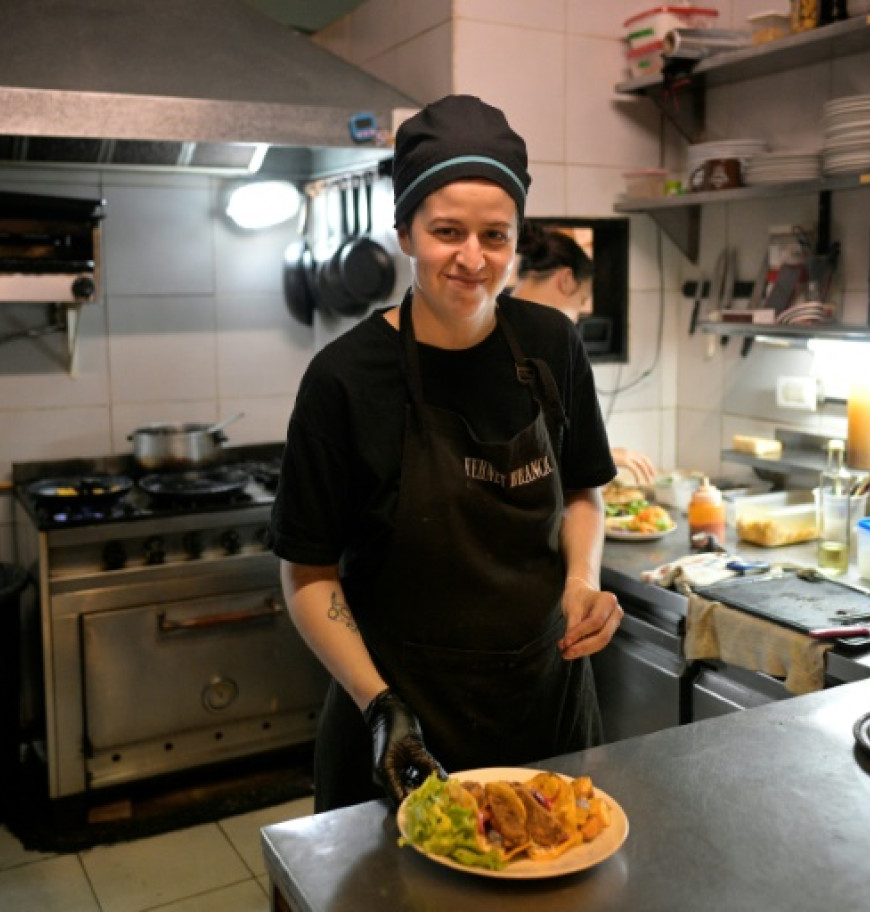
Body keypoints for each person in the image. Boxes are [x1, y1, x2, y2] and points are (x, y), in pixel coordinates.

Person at [269, 95, 624, 813]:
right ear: (404, 232)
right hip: (402, 726)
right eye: (447, 232)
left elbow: (584, 491)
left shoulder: (553, 345)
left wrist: (581, 582)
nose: (472, 257)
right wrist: (379, 710)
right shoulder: (345, 378)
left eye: (495, 235)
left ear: (519, 237)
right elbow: (306, 572)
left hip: (543, 713)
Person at [512, 222, 659, 487]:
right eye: (581, 302)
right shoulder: (551, 337)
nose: (578, 318)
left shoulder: (491, 319)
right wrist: (602, 458)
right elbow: (525, 456)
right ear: (566, 279)